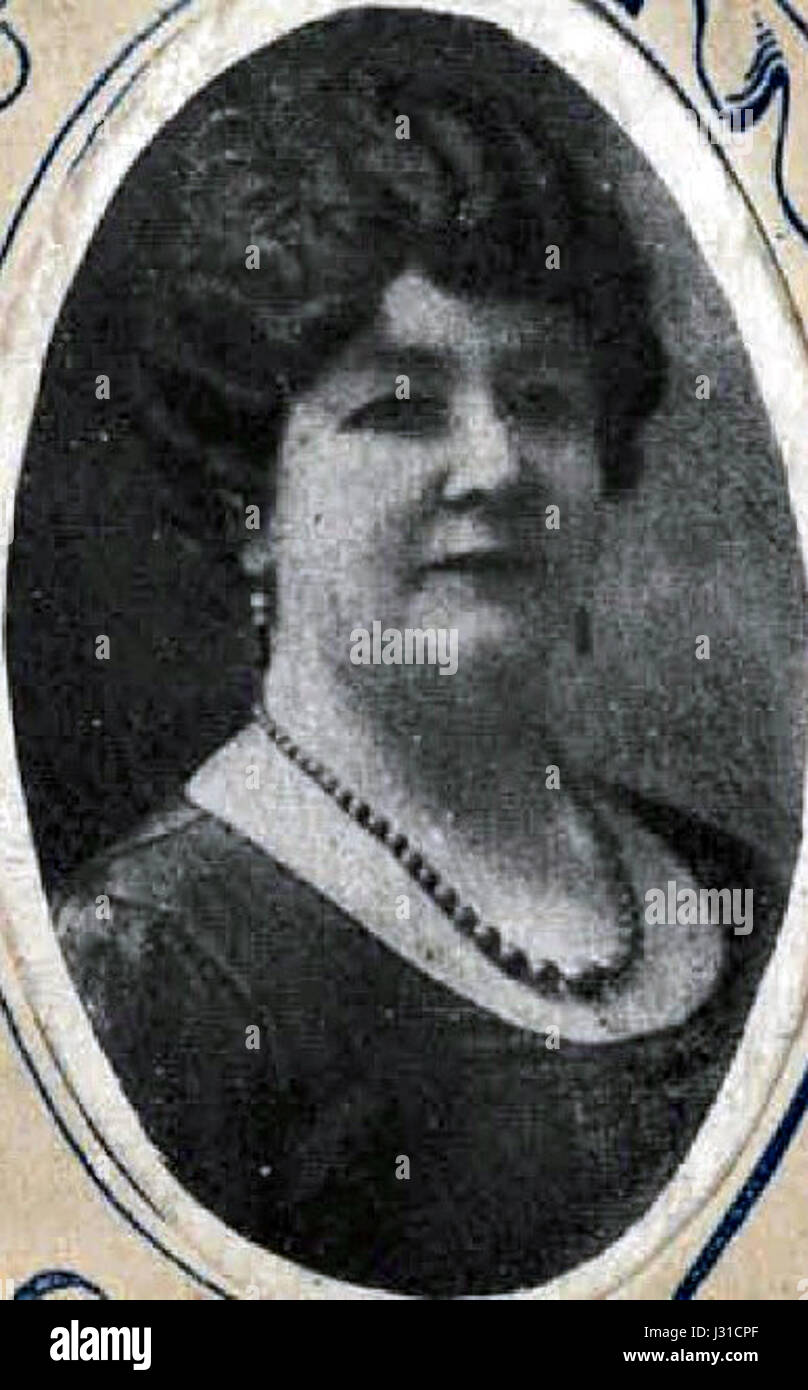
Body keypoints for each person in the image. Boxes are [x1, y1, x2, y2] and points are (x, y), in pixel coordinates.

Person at [53, 8, 785, 1296]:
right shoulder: (152, 971)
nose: (497, 466)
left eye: (543, 400)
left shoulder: (737, 897)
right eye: (400, 408)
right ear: (251, 503)